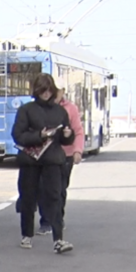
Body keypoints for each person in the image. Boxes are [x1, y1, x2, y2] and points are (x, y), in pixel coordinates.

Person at [12, 73, 74, 254]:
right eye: (42, 90)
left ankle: (58, 239)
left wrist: (67, 136)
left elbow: (64, 141)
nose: (46, 94)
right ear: (36, 91)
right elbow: (18, 135)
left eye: (48, 90)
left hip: (53, 161)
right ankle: (27, 234)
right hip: (30, 161)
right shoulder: (26, 110)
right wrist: (40, 135)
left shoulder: (60, 112)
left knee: (55, 198)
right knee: (28, 198)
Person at [37, 88, 84, 235]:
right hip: (44, 154)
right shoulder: (38, 107)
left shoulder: (70, 109)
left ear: (62, 92)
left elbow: (78, 131)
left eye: (56, 91)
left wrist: (77, 151)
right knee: (43, 188)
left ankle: (57, 219)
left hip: (66, 154)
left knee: (59, 189)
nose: (51, 94)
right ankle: (46, 221)